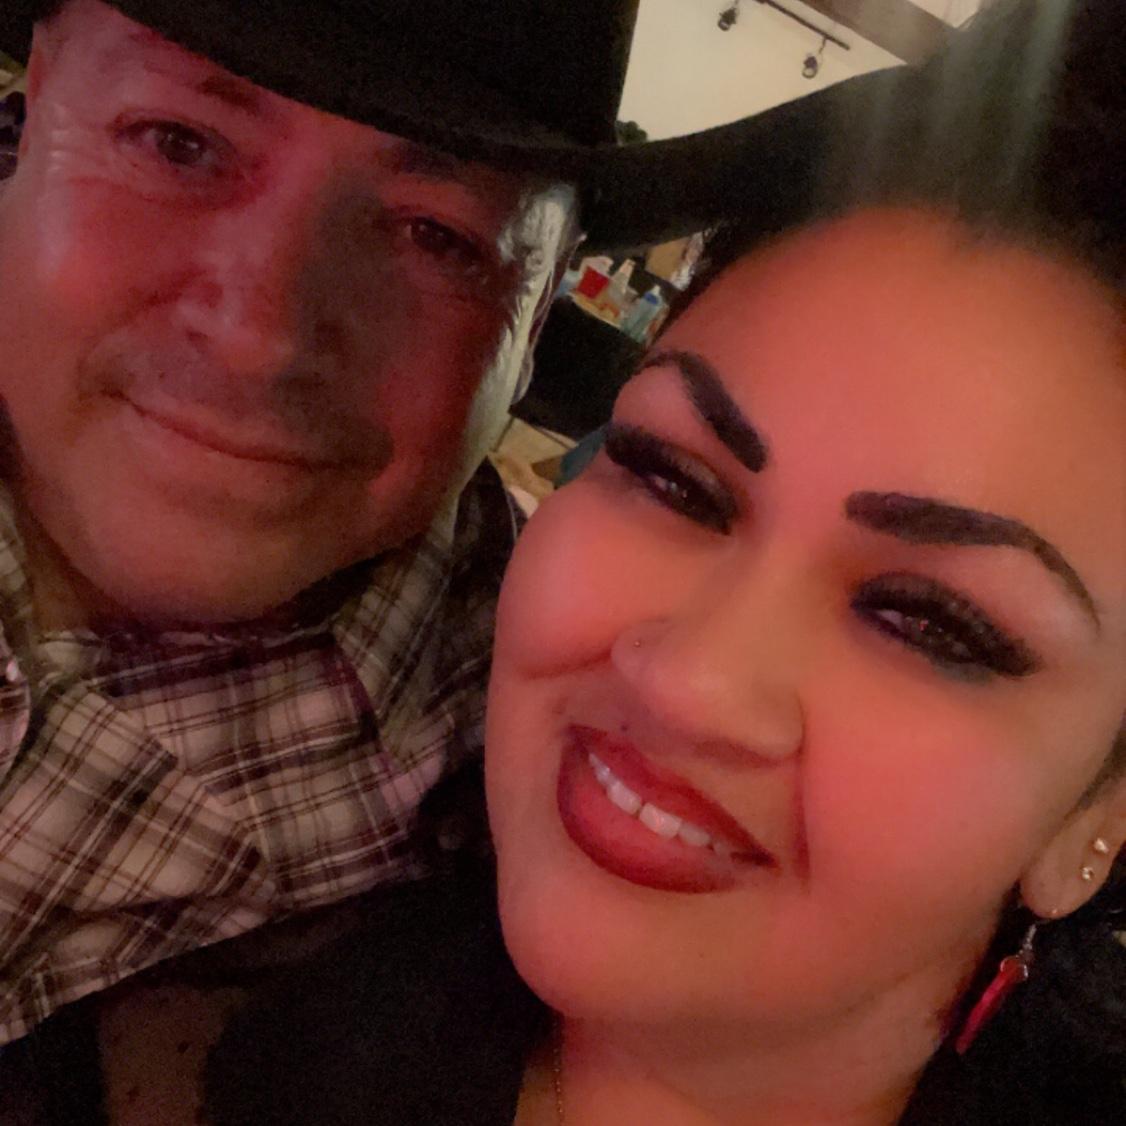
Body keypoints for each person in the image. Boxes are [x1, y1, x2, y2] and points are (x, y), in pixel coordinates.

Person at [203, 2, 1126, 1123]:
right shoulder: (175, 1049)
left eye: (930, 623)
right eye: (672, 480)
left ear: (1100, 816)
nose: (690, 680)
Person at [0, 0, 779, 1109]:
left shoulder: (553, 848)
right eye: (178, 144)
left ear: (539, 310)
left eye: (435, 235)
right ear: (33, 106)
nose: (262, 334)